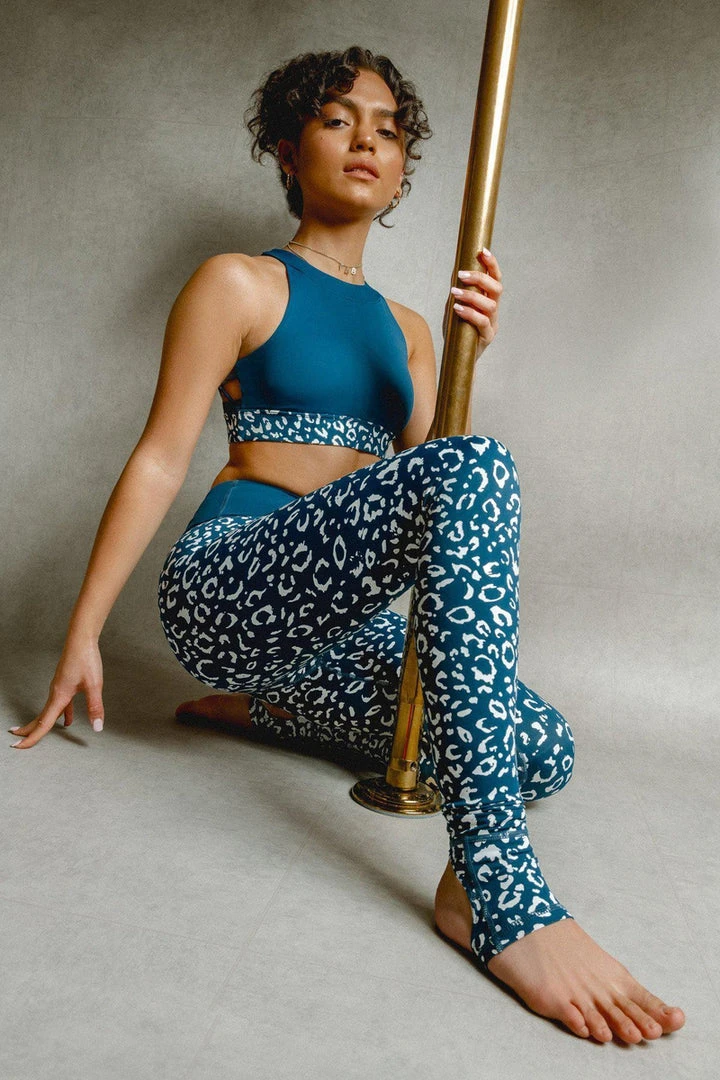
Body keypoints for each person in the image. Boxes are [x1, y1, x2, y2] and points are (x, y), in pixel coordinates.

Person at [10, 45, 685, 1045]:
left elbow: (439, 510)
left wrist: (471, 353)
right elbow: (159, 458)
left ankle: (274, 709)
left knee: (544, 748)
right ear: (288, 150)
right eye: (337, 120)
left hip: (335, 628)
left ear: (404, 169)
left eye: (389, 128)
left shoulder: (410, 330)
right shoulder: (239, 282)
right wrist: (84, 633)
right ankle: (491, 887)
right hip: (231, 585)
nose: (367, 140)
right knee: (478, 469)